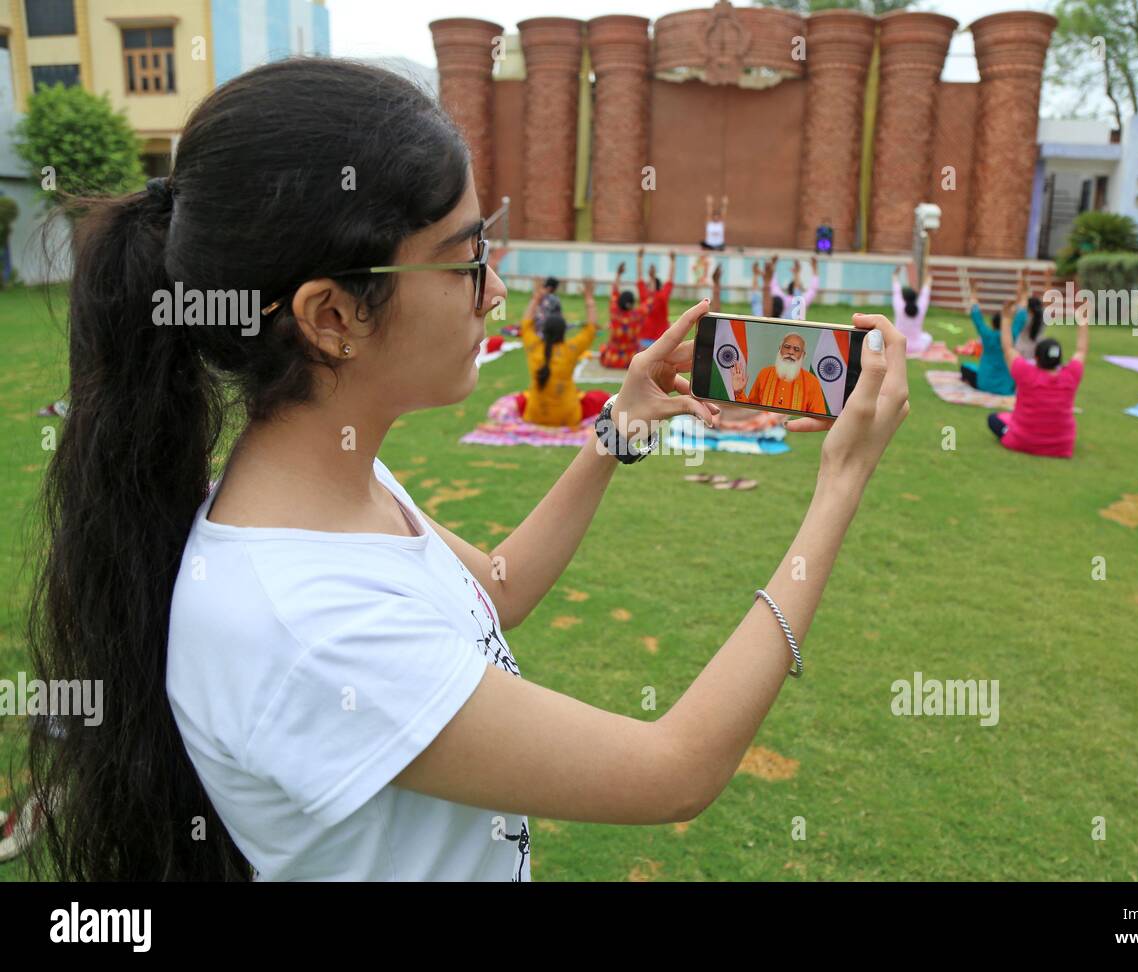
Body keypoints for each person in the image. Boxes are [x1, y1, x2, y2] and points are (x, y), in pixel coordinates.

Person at [25, 58, 913, 883]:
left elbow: (494, 587)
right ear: (333, 315)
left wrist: (616, 432)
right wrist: (840, 485)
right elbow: (672, 770)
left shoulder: (335, 490)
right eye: (464, 260)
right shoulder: (309, 627)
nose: (494, 294)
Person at [988, 294, 1089, 458]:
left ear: (1036, 358)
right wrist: (1083, 322)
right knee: (1008, 417)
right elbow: (1081, 351)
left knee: (994, 419)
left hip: (1023, 440)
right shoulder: (1070, 375)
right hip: (1061, 444)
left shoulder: (1025, 372)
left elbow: (1007, 348)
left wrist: (1006, 319)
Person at [516, 276, 609, 427]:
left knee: (521, 398)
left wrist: (535, 299)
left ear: (543, 331)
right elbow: (591, 328)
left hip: (535, 415)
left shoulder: (534, 346)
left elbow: (525, 324)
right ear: (563, 331)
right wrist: (589, 299)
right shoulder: (571, 349)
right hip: (568, 415)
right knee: (600, 397)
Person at [731, 331, 828, 415]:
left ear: (803, 355)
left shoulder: (812, 382)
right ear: (779, 349)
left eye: (796, 349)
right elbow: (750, 412)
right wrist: (738, 392)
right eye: (787, 347)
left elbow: (818, 419)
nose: (791, 352)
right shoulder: (764, 374)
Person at [961, 279, 1026, 395]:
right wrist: (1023, 292)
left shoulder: (987, 335)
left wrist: (974, 292)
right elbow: (1022, 314)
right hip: (1006, 388)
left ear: (992, 323)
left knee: (966, 368)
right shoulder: (1012, 335)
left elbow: (976, 315)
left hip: (984, 384)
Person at [599, 261, 646, 369]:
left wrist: (618, 274)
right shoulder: (637, 315)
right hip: (631, 360)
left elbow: (614, 291)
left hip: (612, 359)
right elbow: (650, 301)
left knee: (603, 347)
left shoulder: (614, 311)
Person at [636, 247, 676, 348]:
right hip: (660, 340)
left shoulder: (646, 295)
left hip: (645, 340)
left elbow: (639, 277)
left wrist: (639, 258)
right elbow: (670, 279)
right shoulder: (662, 295)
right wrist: (673, 261)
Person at [891, 264, 933, 355]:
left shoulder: (899, 306)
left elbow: (896, 291)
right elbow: (926, 291)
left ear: (904, 298)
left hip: (898, 346)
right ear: (915, 298)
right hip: (918, 347)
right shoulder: (920, 308)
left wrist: (895, 275)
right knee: (927, 337)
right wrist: (928, 275)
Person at [770, 257, 819, 321]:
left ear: (788, 289)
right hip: (798, 329)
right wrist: (814, 267)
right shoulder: (804, 300)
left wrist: (773, 264)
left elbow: (773, 285)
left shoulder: (782, 299)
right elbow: (813, 288)